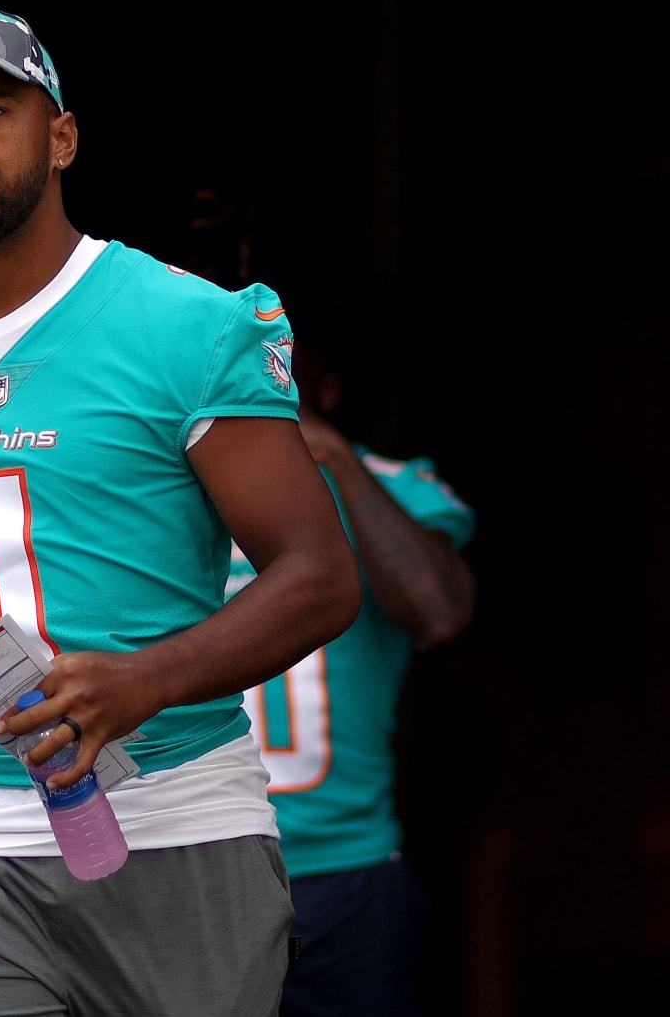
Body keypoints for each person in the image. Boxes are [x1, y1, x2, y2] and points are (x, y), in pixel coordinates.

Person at [0, 4, 362, 1015]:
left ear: (62, 136)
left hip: (178, 817)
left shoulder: (186, 324)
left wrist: (148, 680)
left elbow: (319, 574)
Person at [226, 321, 477, 1016]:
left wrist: (332, 455)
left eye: (278, 371)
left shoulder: (390, 485)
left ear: (326, 389)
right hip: (195, 858)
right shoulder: (162, 493)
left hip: (347, 869)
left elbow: (441, 612)